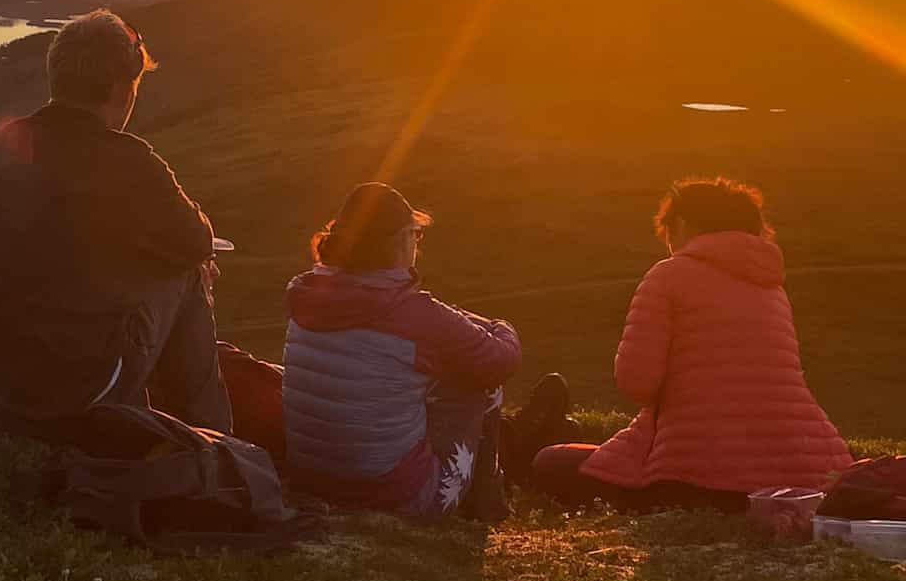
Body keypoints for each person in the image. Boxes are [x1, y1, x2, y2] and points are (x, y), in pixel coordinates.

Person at [0, 10, 233, 438]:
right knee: (189, 269)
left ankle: (170, 433)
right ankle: (212, 448)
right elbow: (198, 239)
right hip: (63, 396)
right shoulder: (128, 160)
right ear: (120, 87)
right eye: (134, 86)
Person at [532, 177, 851, 510]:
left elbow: (637, 383)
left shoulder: (668, 276)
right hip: (800, 478)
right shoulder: (772, 288)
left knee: (550, 462)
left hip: (695, 477)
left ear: (682, 224)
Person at [281, 182, 522, 519]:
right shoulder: (415, 314)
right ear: (401, 240)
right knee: (481, 378)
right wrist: (499, 325)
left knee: (410, 373)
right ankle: (486, 497)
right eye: (415, 235)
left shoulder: (306, 293)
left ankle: (518, 442)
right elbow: (503, 358)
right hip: (397, 495)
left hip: (313, 479)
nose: (417, 245)